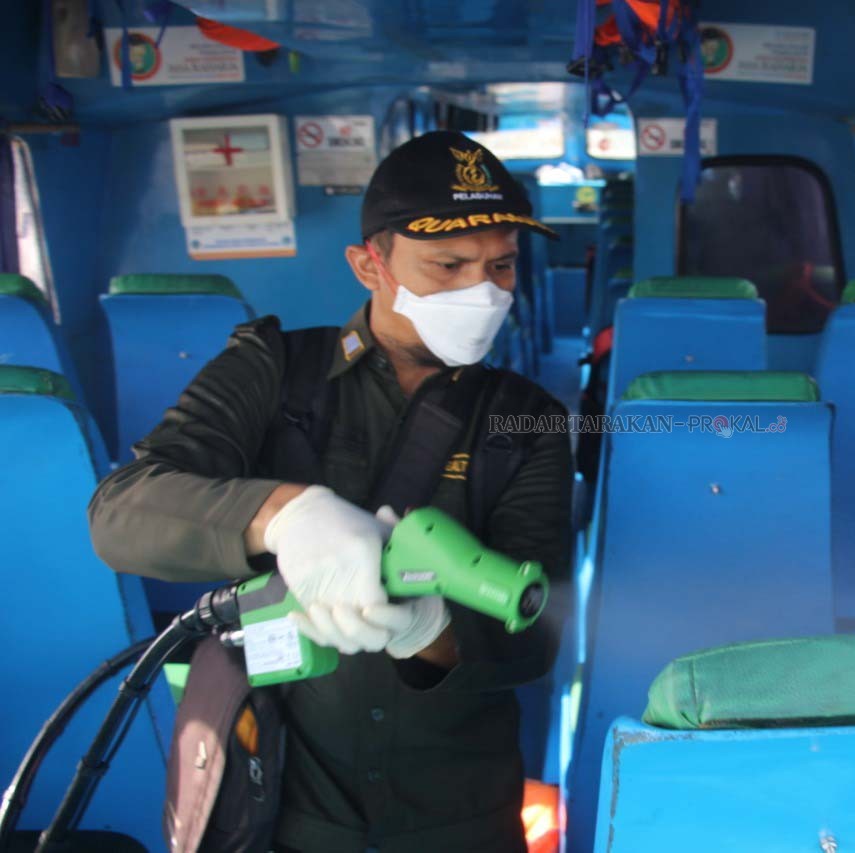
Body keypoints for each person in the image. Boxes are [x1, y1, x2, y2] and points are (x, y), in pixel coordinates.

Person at [88, 131, 572, 852]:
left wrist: (425, 630)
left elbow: (535, 635)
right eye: (449, 265)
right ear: (369, 264)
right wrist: (283, 514)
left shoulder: (528, 418)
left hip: (456, 811)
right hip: (278, 799)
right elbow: (122, 511)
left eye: (500, 265)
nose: (484, 291)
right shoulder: (273, 369)